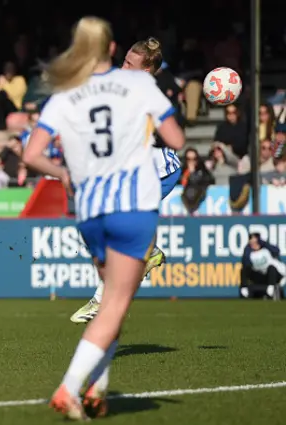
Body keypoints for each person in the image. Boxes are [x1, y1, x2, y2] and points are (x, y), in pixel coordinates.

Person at [22, 18, 184, 420]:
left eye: (136, 64)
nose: (129, 69)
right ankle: (74, 388)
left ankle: (97, 388)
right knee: (115, 303)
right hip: (128, 200)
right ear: (112, 51)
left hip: (93, 202)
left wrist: (64, 172)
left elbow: (32, 153)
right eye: (126, 61)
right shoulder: (139, 90)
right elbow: (178, 140)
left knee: (112, 301)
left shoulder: (70, 91)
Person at [70, 37, 183, 324]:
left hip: (160, 169)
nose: (123, 67)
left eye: (129, 64)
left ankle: (103, 299)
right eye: (123, 60)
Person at [240, 233, 285, 300]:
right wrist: (248, 247)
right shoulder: (250, 252)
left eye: (255, 242)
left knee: (271, 268)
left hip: (274, 275)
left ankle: (271, 288)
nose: (253, 244)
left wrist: (263, 243)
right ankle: (244, 288)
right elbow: (246, 262)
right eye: (251, 242)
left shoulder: (267, 250)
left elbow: (276, 251)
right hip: (261, 275)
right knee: (244, 269)